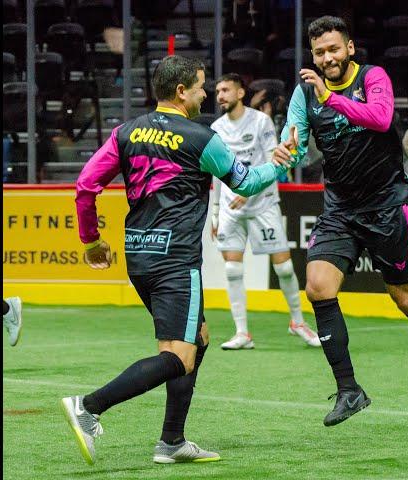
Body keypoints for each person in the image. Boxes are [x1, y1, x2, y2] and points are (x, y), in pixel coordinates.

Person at [60, 55, 289, 466]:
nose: (206, 93)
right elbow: (247, 181)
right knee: (179, 356)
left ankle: (172, 442)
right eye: (201, 86)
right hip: (177, 260)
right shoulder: (201, 138)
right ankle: (88, 407)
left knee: (196, 338)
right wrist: (275, 163)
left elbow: (85, 185)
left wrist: (91, 240)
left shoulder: (126, 132)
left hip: (139, 255)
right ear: (182, 91)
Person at [273, 16, 408, 427]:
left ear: (349, 48)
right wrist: (284, 153)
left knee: (407, 300)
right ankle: (349, 390)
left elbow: (381, 118)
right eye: (319, 52)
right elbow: (292, 144)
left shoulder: (373, 77)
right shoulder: (304, 94)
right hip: (340, 210)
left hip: (385, 206)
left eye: (333, 49)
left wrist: (330, 97)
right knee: (318, 286)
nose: (326, 57)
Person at [210, 73, 320, 349]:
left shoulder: (261, 122)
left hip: (262, 203)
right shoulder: (216, 128)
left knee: (283, 267)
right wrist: (214, 212)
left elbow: (277, 161)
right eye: (217, 91)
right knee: (233, 269)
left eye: (225, 90)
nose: (220, 95)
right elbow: (214, 171)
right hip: (228, 209)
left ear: (240, 93)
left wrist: (248, 195)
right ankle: (242, 333)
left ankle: (297, 322)